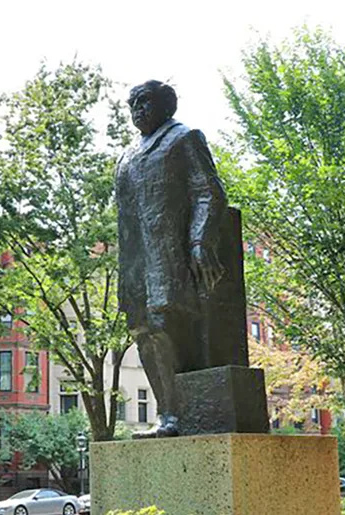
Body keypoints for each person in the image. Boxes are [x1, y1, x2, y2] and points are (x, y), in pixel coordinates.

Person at [116, 80, 228, 438]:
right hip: (135, 262)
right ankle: (166, 413)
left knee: (166, 325)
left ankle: (177, 416)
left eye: (145, 102)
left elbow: (209, 192)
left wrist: (199, 240)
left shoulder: (183, 138)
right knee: (141, 330)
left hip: (169, 254)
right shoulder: (127, 156)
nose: (137, 110)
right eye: (132, 104)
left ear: (167, 105)